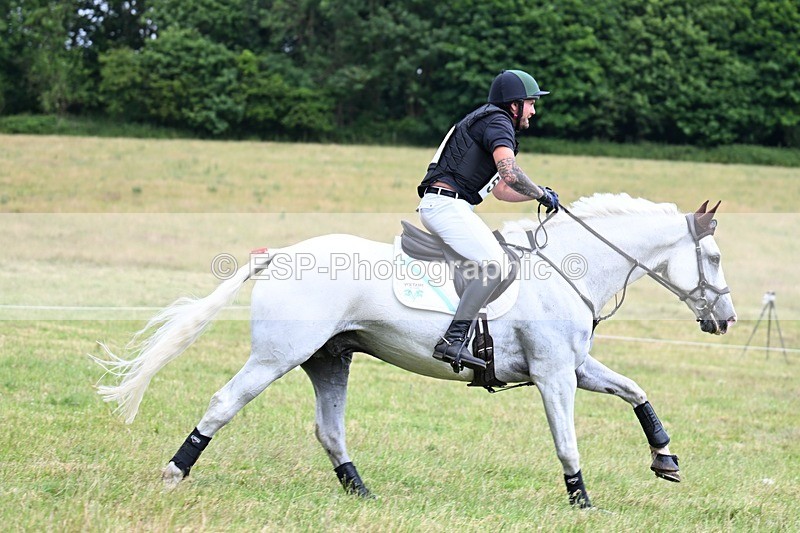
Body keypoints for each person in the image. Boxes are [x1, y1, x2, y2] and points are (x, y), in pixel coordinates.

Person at [417, 69, 560, 371]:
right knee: (495, 264)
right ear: (514, 105)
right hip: (446, 206)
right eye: (531, 103)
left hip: (449, 205)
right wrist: (540, 194)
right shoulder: (497, 122)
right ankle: (453, 340)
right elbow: (510, 173)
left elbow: (502, 189)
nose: (534, 111)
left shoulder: (489, 121)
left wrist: (538, 194)